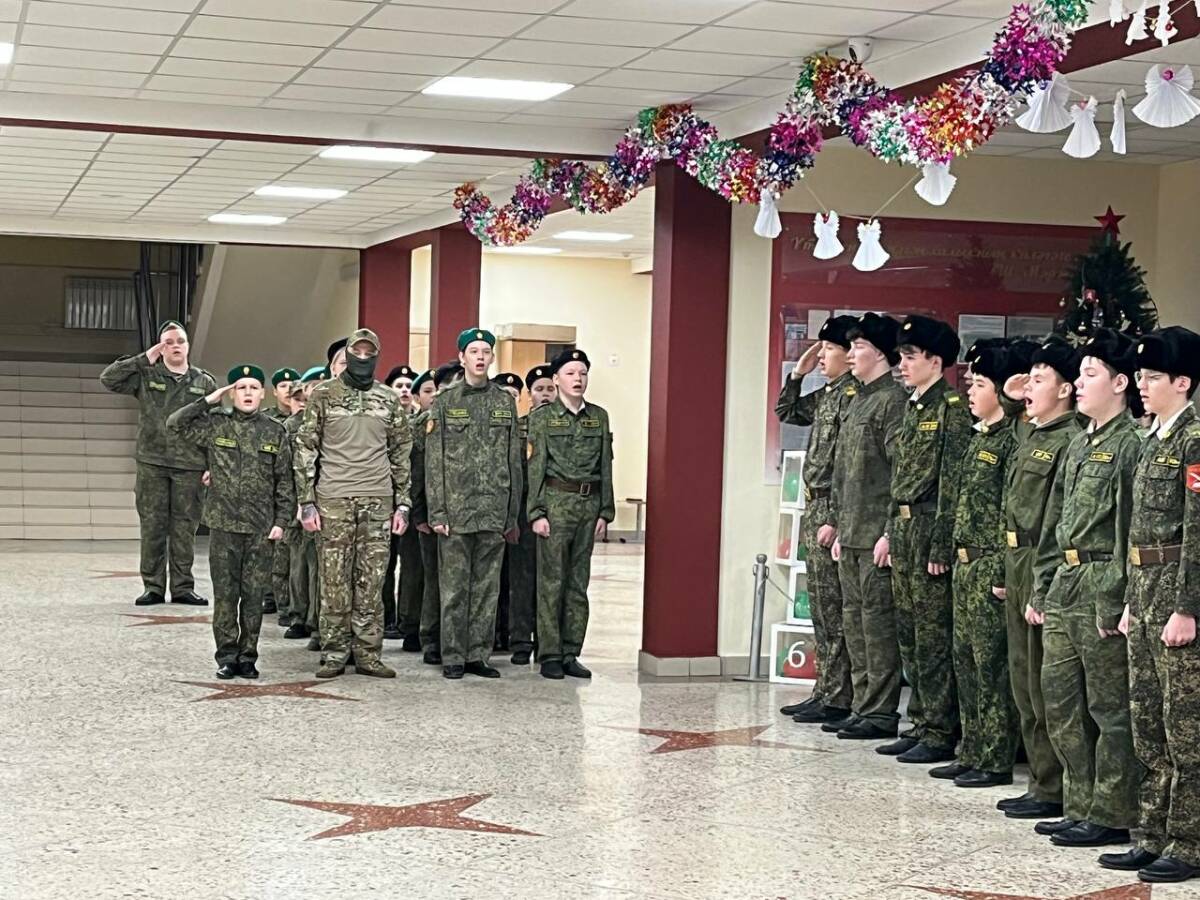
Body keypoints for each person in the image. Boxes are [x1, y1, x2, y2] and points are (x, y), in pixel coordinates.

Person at [1032, 328, 1143, 848]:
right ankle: (1078, 803)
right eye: (1078, 374)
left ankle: (1112, 811)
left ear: (1120, 383)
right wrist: (1042, 585)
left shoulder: (1130, 445)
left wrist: (1117, 599)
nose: (1078, 383)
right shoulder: (1079, 443)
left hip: (1102, 580)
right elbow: (1056, 522)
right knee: (1060, 701)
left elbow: (1127, 531)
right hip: (1066, 581)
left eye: (1090, 374)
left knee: (1108, 708)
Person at [1104, 327, 1200, 884]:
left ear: (1182, 382)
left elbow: (1197, 532)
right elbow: (1135, 531)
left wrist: (1188, 607)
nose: (1141, 385)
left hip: (1176, 593)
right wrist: (1129, 602)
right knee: (1147, 722)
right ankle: (1152, 832)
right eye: (1139, 376)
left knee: (1184, 726)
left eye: (1153, 376)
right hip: (1143, 591)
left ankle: (1188, 841)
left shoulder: (1194, 441)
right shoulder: (1152, 440)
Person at [295, 329, 412, 680]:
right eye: (356, 353)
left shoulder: (388, 399)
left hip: (378, 502)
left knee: (372, 582)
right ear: (347, 355)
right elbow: (306, 448)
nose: (362, 359)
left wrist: (403, 504)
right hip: (333, 500)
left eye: (368, 353)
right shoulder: (324, 395)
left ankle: (368, 654)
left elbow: (401, 453)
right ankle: (334, 653)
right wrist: (306, 502)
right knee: (333, 581)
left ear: (376, 356)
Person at [166, 365, 293, 679]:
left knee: (253, 597)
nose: (248, 393)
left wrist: (282, 520)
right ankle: (226, 656)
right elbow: (175, 424)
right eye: (241, 387)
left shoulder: (275, 431)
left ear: (262, 394)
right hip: (224, 526)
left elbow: (284, 480)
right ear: (232, 394)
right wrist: (208, 400)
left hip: (260, 529)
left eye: (253, 388)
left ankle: (248, 657)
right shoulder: (216, 424)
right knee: (225, 597)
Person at [932, 343, 1021, 788]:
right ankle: (971, 748)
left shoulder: (1010, 441)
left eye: (980, 384)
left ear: (1001, 391)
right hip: (965, 563)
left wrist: (1003, 571)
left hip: (989, 564)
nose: (970, 391)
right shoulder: (977, 436)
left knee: (990, 667)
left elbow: (1010, 514)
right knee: (964, 661)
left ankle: (995, 756)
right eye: (970, 383)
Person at [884, 315, 972, 765]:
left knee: (933, 635)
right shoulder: (913, 406)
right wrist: (888, 530)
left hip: (929, 528)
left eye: (910, 357)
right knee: (910, 633)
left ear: (936, 361)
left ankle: (939, 729)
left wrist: (942, 544)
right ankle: (919, 720)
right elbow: (898, 476)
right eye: (900, 357)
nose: (902, 365)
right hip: (903, 529)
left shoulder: (951, 408)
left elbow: (953, 481)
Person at [775, 315, 859, 724]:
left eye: (829, 349)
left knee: (836, 607)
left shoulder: (854, 396)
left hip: (834, 508)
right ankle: (824, 689)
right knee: (822, 608)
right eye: (820, 348)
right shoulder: (829, 393)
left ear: (849, 353)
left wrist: (839, 518)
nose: (822, 356)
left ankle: (839, 696)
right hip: (817, 506)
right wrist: (798, 373)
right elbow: (788, 410)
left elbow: (852, 466)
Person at [426, 330, 522, 680]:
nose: (480, 357)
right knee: (454, 588)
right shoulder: (445, 401)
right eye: (473, 351)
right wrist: (437, 511)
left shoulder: (504, 402)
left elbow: (514, 460)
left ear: (492, 358)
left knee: (486, 588)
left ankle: (478, 655)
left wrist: (511, 514)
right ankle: (453, 654)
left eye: (486, 351)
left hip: (493, 510)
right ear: (462, 358)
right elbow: (434, 461)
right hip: (455, 511)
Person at [100, 320, 216, 607]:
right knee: (152, 527)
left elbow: (214, 426)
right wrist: (144, 357)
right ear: (161, 348)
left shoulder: (204, 382)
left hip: (190, 464)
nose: (175, 346)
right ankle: (153, 587)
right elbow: (109, 379)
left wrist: (212, 464)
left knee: (184, 528)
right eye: (169, 342)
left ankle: (183, 587)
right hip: (152, 463)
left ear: (188, 346)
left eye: (180, 341)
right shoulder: (146, 375)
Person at [829, 313, 907, 741]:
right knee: (855, 624)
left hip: (876, 533)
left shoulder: (892, 402)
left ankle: (879, 711)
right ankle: (861, 705)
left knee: (877, 627)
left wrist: (890, 532)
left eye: (858, 347)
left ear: (879, 353)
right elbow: (845, 473)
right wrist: (840, 528)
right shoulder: (859, 400)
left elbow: (899, 473)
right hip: (852, 532)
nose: (851, 354)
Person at [527, 350, 615, 680]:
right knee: (551, 582)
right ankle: (549, 653)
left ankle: (570, 651)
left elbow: (605, 464)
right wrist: (536, 512)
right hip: (555, 504)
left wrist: (605, 510)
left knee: (578, 583)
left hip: (588, 506)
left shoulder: (599, 417)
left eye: (582, 373)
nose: (578, 379)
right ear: (556, 379)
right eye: (570, 373)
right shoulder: (543, 418)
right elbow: (535, 467)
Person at [412, 362, 463, 666]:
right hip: (433, 514)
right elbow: (417, 471)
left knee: (460, 582)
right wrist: (420, 514)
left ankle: (457, 639)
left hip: (464, 512)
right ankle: (431, 638)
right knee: (434, 579)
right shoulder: (424, 422)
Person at [509, 364, 556, 665]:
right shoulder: (519, 428)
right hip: (525, 513)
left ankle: (547, 641)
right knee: (522, 579)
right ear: (529, 394)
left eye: (550, 389)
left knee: (551, 580)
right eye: (539, 389)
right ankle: (520, 641)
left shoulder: (563, 425)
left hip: (557, 511)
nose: (546, 394)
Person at [287, 366, 327, 649]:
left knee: (319, 567)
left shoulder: (331, 423)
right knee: (298, 563)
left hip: (326, 500)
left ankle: (316, 621)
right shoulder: (292, 426)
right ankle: (297, 615)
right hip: (297, 501)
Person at [381, 363, 419, 642]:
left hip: (412, 501)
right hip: (385, 500)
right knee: (385, 563)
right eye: (399, 386)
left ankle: (407, 619)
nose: (404, 390)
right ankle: (386, 618)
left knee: (411, 565)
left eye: (408, 386)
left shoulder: (422, 422)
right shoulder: (382, 421)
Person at [491, 372, 524, 650]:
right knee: (492, 579)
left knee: (515, 578)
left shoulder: (525, 429)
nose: (510, 400)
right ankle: (491, 635)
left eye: (514, 395)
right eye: (505, 395)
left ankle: (511, 633)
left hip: (516, 513)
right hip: (490, 512)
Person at [264, 367, 301, 620]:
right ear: (274, 391)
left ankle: (291, 603)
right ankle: (272, 596)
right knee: (276, 550)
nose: (288, 391)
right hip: (275, 492)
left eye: (293, 387)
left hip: (298, 492)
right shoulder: (268, 420)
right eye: (283, 386)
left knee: (292, 554)